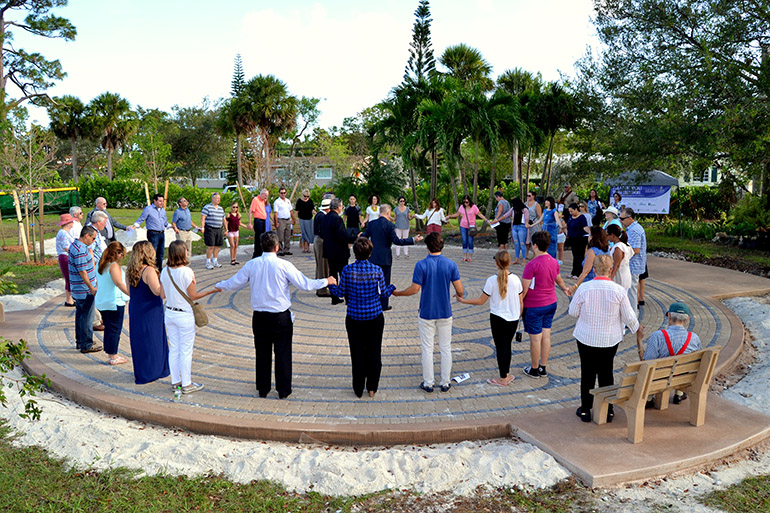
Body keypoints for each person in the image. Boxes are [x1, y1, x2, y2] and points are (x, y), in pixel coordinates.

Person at [214, 231, 336, 399]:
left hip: (259, 316)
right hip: (280, 317)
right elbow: (305, 284)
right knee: (283, 353)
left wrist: (219, 285)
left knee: (262, 353)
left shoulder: (252, 265)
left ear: (262, 246)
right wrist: (326, 281)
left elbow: (234, 283)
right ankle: (283, 390)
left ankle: (263, 389)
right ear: (277, 247)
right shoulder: (284, 265)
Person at [569, 254, 639, 422]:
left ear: (594, 270)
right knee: (606, 372)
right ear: (610, 270)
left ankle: (586, 409)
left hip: (586, 337)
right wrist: (637, 329)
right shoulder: (619, 291)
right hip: (610, 339)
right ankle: (608, 410)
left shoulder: (584, 288)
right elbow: (629, 317)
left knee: (587, 373)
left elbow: (572, 312)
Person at [393, 232, 464, 393]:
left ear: (427, 246)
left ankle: (428, 382)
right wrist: (460, 295)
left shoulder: (421, 265)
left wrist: (398, 293)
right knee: (446, 347)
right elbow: (460, 289)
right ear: (442, 245)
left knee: (427, 348)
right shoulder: (451, 264)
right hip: (445, 312)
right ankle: (445, 382)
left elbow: (414, 289)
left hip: (426, 312)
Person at [327, 238, 394, 398]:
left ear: (354, 253)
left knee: (357, 353)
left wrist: (331, 285)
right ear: (370, 253)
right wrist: (393, 287)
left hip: (354, 318)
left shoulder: (347, 271)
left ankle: (358, 388)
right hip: (375, 317)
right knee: (374, 352)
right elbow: (383, 293)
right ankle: (372, 387)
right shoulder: (377, 270)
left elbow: (340, 293)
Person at [456, 251, 523, 386]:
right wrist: (518, 316)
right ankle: (507, 374)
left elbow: (481, 301)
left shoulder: (491, 280)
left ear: (496, 263)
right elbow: (521, 302)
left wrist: (463, 301)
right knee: (507, 346)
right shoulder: (516, 279)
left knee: (500, 347)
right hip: (513, 318)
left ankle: (503, 378)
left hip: (498, 318)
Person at [161, 241, 218, 395]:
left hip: (170, 313)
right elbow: (193, 295)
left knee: (174, 349)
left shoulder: (164, 271)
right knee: (186, 350)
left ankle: (176, 382)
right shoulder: (187, 271)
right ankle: (187, 384)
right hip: (184, 315)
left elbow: (162, 295)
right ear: (182, 252)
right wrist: (212, 291)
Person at [520, 231, 571, 378]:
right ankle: (543, 367)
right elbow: (559, 279)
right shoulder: (553, 261)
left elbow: (524, 290)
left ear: (535, 246)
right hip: (551, 304)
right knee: (546, 336)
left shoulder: (532, 265)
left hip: (534, 306)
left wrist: (519, 305)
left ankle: (534, 369)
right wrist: (565, 289)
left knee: (535, 338)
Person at [637, 301, 703, 405]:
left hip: (660, 379)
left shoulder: (657, 336)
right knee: (683, 363)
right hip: (682, 378)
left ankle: (649, 398)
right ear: (687, 320)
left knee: (649, 369)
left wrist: (639, 340)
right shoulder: (694, 338)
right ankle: (679, 393)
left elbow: (645, 362)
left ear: (669, 317)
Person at [361, 204, 421, 311]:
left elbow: (365, 235)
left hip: (373, 256)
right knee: (384, 281)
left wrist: (358, 236)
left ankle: (371, 302)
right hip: (385, 257)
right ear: (388, 213)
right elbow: (397, 241)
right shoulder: (389, 225)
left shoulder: (372, 224)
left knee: (372, 281)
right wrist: (412, 240)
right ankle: (383, 305)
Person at [126, 241, 170, 385]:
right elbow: (158, 292)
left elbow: (129, 290)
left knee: (140, 341)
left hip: (136, 308)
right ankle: (154, 371)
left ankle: (142, 370)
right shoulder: (149, 270)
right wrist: (165, 280)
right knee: (153, 339)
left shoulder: (130, 270)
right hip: (150, 310)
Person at [94, 241, 130, 366]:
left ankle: (110, 353)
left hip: (103, 301)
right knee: (115, 329)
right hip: (114, 302)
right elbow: (118, 283)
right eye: (121, 254)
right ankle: (113, 356)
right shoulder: (113, 266)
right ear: (117, 253)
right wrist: (131, 294)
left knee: (109, 328)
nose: (122, 257)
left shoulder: (101, 264)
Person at [68, 225, 101, 353]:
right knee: (87, 317)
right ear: (86, 235)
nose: (93, 241)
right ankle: (87, 344)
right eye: (93, 238)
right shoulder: (81, 250)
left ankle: (80, 341)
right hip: (84, 290)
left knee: (80, 315)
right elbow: (83, 272)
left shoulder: (75, 245)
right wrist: (91, 287)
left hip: (78, 289)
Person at [322, 198, 357, 305]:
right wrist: (354, 238)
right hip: (340, 252)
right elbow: (342, 236)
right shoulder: (338, 219)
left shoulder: (324, 218)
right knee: (344, 275)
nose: (342, 208)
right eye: (341, 206)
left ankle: (334, 297)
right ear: (338, 207)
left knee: (332, 274)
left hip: (329, 250)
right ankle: (347, 298)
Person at [132, 194, 169, 270]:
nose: (162, 203)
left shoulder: (163, 211)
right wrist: (134, 226)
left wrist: (172, 226)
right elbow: (141, 219)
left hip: (162, 233)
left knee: (160, 253)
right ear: (154, 201)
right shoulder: (148, 209)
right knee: (153, 252)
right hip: (153, 234)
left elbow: (165, 222)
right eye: (160, 201)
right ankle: (152, 269)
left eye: (163, 201)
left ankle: (159, 269)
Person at [621, 207, 647, 311]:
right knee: (630, 291)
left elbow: (636, 250)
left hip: (633, 265)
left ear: (630, 218)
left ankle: (632, 317)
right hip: (633, 265)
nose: (621, 221)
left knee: (631, 292)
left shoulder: (634, 230)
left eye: (622, 219)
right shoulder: (632, 228)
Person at [446, 195, 486, 262]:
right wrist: (449, 216)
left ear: (469, 201)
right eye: (464, 202)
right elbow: (457, 214)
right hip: (463, 226)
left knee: (470, 241)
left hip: (471, 227)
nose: (466, 203)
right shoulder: (462, 207)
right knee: (464, 241)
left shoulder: (474, 207)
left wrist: (486, 220)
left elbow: (479, 214)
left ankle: (470, 256)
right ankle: (465, 256)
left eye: (467, 202)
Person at [201, 192, 226, 269]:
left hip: (219, 229)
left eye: (219, 199)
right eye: (217, 198)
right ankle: (208, 262)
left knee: (217, 246)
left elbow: (223, 219)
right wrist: (202, 227)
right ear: (213, 199)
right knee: (210, 246)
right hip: (210, 228)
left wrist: (226, 229)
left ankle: (215, 261)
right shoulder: (207, 207)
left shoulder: (221, 208)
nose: (218, 200)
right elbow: (203, 218)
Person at [56, 213, 76, 307]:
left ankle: (70, 298)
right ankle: (69, 299)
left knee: (70, 277)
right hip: (65, 257)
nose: (73, 223)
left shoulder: (66, 232)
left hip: (67, 256)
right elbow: (66, 247)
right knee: (69, 277)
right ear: (67, 223)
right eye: (71, 221)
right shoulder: (63, 233)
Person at [313, 197, 332, 297]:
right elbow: (323, 231)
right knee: (322, 265)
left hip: (317, 240)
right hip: (321, 241)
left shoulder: (318, 215)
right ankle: (322, 290)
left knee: (320, 265)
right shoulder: (322, 217)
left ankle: (320, 287)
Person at [565, 203, 588, 279]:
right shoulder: (570, 217)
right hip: (572, 239)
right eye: (570, 212)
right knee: (575, 256)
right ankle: (573, 272)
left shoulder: (582, 217)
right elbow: (568, 226)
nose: (571, 213)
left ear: (576, 209)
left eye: (572, 211)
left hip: (580, 239)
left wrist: (591, 233)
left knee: (579, 256)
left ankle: (578, 273)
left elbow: (585, 227)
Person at [607, 224, 633, 291]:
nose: (607, 237)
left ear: (612, 235)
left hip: (620, 277)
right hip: (625, 274)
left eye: (607, 235)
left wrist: (609, 279)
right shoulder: (626, 244)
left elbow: (616, 265)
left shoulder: (618, 247)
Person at [272, 187, 295, 256]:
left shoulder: (288, 201)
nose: (283, 194)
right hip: (281, 219)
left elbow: (291, 211)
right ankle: (280, 250)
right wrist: (276, 222)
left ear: (286, 193)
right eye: (281, 193)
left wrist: (293, 219)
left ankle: (286, 249)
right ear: (279, 193)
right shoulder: (277, 202)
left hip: (287, 219)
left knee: (287, 235)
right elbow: (275, 213)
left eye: (284, 193)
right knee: (280, 236)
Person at [248, 188, 270, 258]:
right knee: (258, 237)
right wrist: (249, 222)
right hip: (258, 220)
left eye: (267, 195)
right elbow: (251, 211)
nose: (266, 197)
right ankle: (256, 254)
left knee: (262, 237)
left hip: (263, 220)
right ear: (262, 194)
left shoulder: (263, 201)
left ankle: (261, 252)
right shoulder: (255, 200)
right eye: (265, 195)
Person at [295, 189, 315, 253]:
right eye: (305, 196)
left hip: (309, 219)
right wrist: (294, 218)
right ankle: (304, 248)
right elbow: (296, 210)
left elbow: (312, 210)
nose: (306, 197)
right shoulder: (299, 201)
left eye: (308, 196)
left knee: (309, 233)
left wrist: (317, 214)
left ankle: (308, 248)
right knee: (303, 233)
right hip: (302, 219)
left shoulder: (310, 201)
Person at [525, 192, 542, 259]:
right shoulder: (525, 203)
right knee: (527, 240)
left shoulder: (536, 205)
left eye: (529, 195)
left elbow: (539, 215)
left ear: (533, 196)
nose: (528, 197)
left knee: (534, 239)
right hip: (527, 223)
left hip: (534, 223)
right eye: (527, 195)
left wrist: (541, 223)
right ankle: (526, 254)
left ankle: (535, 255)